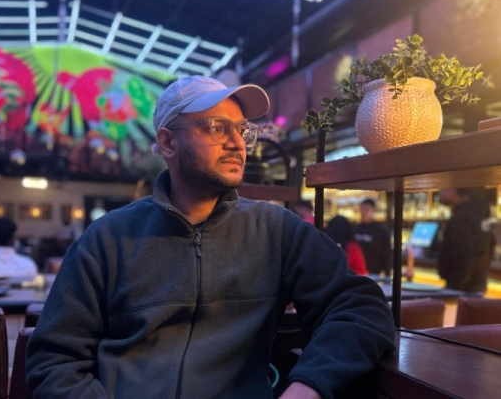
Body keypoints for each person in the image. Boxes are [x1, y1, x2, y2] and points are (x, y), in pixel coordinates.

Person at [26, 75, 395, 399]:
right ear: (168, 143)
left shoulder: (276, 231)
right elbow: (54, 359)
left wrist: (308, 386)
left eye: (242, 130)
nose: (238, 143)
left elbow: (360, 307)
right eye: (218, 128)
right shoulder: (107, 239)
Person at [437, 187, 496, 293]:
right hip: (478, 285)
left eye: (443, 188)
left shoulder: (461, 218)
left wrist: (455, 286)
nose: (439, 191)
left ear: (453, 189)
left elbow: (464, 253)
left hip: (463, 289)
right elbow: (491, 244)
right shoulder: (480, 213)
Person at [354, 199, 392, 277]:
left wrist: (387, 275)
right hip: (356, 273)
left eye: (367, 209)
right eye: (362, 209)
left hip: (374, 273)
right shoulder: (354, 229)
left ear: (373, 211)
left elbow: (387, 254)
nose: (363, 212)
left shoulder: (381, 230)